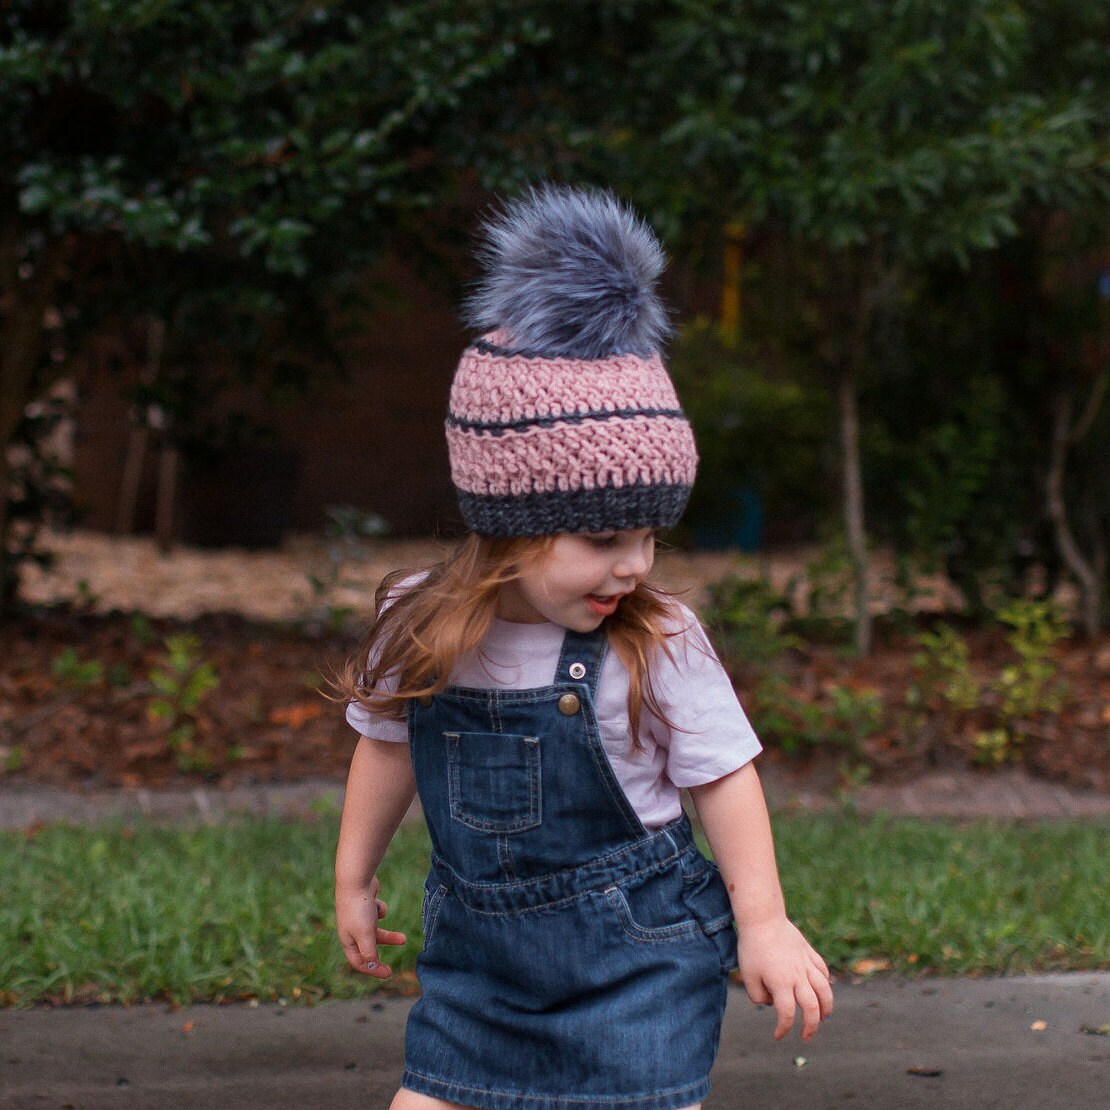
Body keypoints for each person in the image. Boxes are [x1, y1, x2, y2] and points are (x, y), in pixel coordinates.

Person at [334, 185, 833, 1110]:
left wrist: (762, 922)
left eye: (650, 537)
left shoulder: (658, 640)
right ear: (512, 524)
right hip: (480, 977)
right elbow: (386, 745)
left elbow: (724, 774)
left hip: (639, 968)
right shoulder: (423, 621)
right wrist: (353, 875)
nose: (636, 567)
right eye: (605, 541)